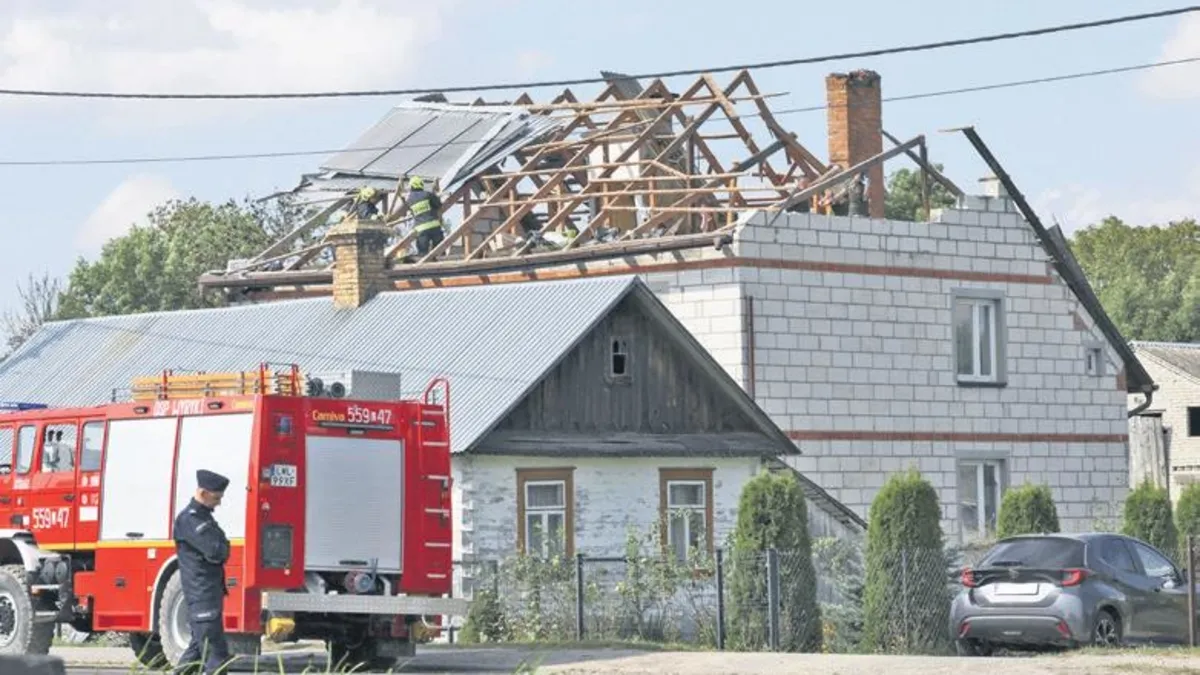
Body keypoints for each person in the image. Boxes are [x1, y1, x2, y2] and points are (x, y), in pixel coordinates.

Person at [173, 469, 233, 675]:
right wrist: (223, 547)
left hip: (208, 594)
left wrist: (223, 547)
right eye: (216, 498)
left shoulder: (203, 518)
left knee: (197, 652)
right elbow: (217, 551)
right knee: (217, 657)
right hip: (202, 594)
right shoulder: (191, 520)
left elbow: (222, 547)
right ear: (204, 493)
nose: (219, 503)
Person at [405, 176, 445, 256]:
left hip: (421, 229)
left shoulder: (409, 200)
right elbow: (439, 205)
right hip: (434, 226)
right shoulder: (427, 194)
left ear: (411, 186)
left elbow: (412, 212)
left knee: (422, 254)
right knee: (439, 252)